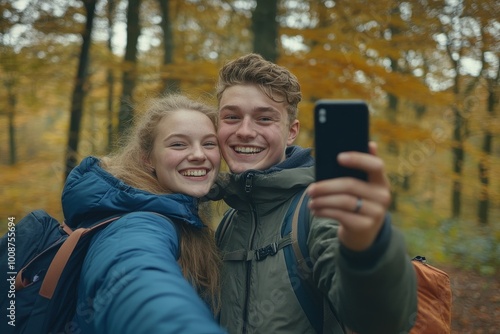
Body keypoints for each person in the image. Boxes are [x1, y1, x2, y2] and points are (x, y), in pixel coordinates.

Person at [207, 53, 418, 333]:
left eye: (264, 118)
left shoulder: (319, 209)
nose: (245, 131)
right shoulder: (230, 219)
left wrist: (368, 249)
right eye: (232, 117)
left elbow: (380, 321)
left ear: (291, 131)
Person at [62, 94, 226, 333]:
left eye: (209, 144)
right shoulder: (138, 222)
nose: (199, 155)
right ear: (147, 158)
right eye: (178, 144)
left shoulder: (178, 217)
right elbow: (137, 281)